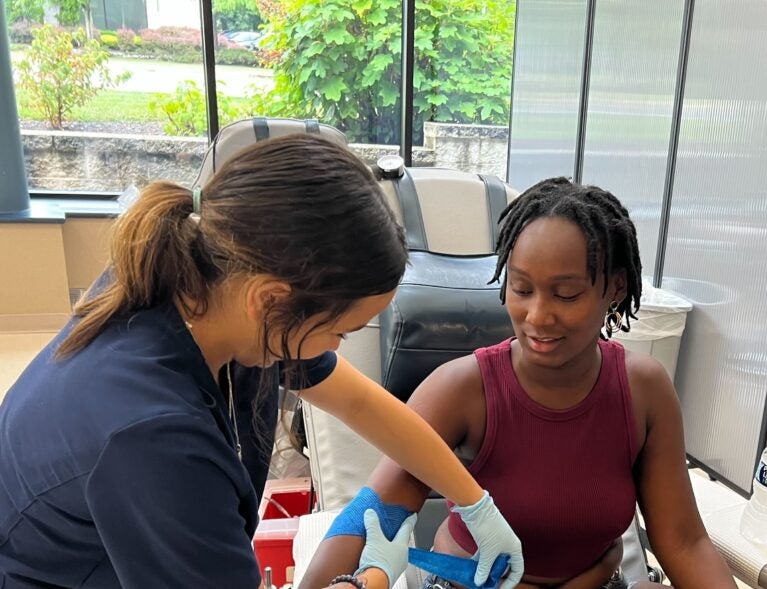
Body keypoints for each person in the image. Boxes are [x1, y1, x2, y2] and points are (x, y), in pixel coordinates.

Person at [0, 135, 523, 589]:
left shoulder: (213, 289)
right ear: (271, 299)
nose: (338, 348)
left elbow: (364, 405)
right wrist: (374, 577)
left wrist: (473, 502)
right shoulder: (150, 436)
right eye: (338, 330)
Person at [300, 177, 738, 589]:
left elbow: (684, 542)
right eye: (522, 288)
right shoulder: (461, 390)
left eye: (566, 294)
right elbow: (372, 517)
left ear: (616, 288)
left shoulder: (644, 391)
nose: (538, 316)